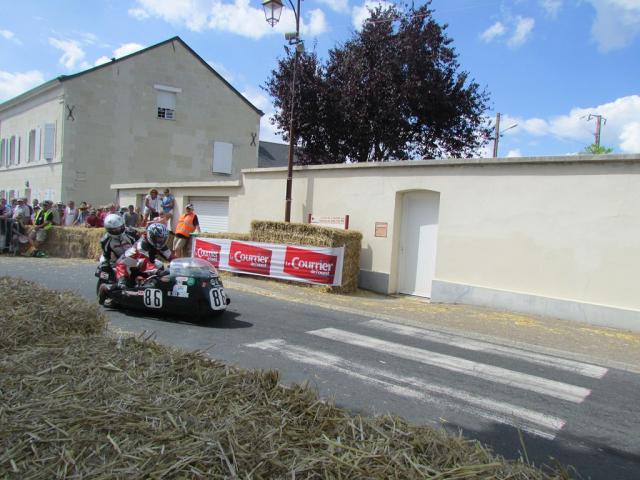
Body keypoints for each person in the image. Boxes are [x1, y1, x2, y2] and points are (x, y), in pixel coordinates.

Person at [112, 223, 175, 290]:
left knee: (160, 265)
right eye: (158, 238)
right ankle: (107, 289)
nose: (160, 241)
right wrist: (158, 272)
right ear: (151, 236)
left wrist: (182, 266)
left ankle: (149, 285)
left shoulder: (160, 245)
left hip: (139, 265)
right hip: (125, 266)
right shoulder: (142, 244)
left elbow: (171, 257)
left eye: (162, 239)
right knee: (123, 287)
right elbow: (144, 262)